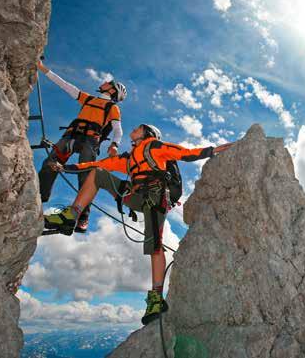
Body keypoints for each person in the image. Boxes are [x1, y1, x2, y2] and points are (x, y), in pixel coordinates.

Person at [43, 124, 233, 324]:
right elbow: (100, 164)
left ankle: (156, 298)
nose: (134, 129)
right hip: (135, 195)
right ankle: (71, 216)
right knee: (98, 173)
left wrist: (212, 150)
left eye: (139, 128)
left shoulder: (155, 146)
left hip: (155, 197)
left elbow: (184, 153)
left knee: (154, 246)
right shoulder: (129, 158)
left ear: (148, 133)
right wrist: (67, 168)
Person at [36, 59, 127, 232]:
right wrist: (42, 68)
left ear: (112, 90)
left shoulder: (112, 107)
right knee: (50, 163)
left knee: (85, 177)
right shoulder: (88, 99)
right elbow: (65, 85)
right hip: (71, 136)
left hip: (90, 140)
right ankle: (38, 198)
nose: (105, 83)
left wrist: (115, 145)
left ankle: (82, 217)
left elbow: (118, 130)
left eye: (109, 83)